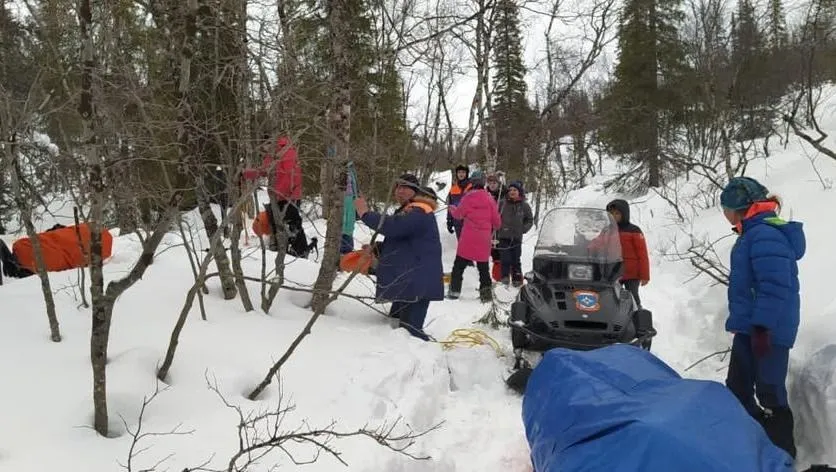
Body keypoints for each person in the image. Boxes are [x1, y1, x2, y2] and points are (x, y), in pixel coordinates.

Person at [720, 176, 805, 459]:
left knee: (769, 390)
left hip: (769, 329)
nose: (724, 214)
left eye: (725, 207)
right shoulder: (751, 232)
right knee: (738, 387)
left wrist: (762, 325)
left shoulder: (765, 234)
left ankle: (782, 455)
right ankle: (754, 444)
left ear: (738, 206)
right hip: (752, 327)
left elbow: (774, 284)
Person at [354, 174, 444, 341]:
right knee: (403, 330)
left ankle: (428, 361)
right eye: (398, 187)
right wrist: (377, 249)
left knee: (412, 334)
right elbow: (403, 242)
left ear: (415, 191)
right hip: (411, 279)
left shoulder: (420, 209)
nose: (399, 190)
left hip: (418, 280)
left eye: (405, 187)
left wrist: (365, 214)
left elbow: (395, 227)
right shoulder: (410, 209)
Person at [242, 134, 311, 257]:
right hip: (286, 195)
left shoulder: (282, 153)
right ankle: (287, 249)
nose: (264, 150)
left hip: (286, 196)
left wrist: (246, 174)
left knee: (290, 224)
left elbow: (286, 174)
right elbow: (264, 171)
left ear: (270, 143)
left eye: (264, 147)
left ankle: (298, 252)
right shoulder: (281, 152)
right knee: (284, 223)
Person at [447, 170, 501, 302]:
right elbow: (497, 223)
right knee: (483, 268)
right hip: (483, 239)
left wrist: (452, 208)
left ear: (472, 182)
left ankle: (454, 291)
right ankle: (486, 295)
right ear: (483, 183)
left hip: (468, 238)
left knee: (458, 266)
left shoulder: (467, 197)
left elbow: (458, 215)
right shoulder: (489, 199)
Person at [605, 199, 650, 308]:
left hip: (631, 274)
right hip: (614, 271)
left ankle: (638, 315)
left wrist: (644, 275)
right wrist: (587, 247)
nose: (614, 216)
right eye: (611, 213)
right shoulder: (608, 230)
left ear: (624, 214)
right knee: (611, 296)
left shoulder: (634, 231)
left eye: (617, 213)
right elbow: (598, 243)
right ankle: (615, 316)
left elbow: (642, 254)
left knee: (633, 296)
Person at [496, 181, 534, 287]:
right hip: (503, 236)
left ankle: (517, 278)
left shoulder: (524, 206)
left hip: (517, 237)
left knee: (516, 259)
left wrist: (523, 229)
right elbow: (495, 217)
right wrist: (497, 227)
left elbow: (530, 220)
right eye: (510, 190)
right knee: (505, 258)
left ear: (519, 192)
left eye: (515, 190)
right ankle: (504, 277)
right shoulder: (502, 203)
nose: (512, 192)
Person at [446, 165, 472, 238]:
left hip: (470, 222)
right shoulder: (453, 189)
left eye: (463, 172)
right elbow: (450, 206)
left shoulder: (472, 186)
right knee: (461, 245)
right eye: (459, 172)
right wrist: (449, 220)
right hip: (457, 222)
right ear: (456, 174)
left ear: (466, 174)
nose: (461, 174)